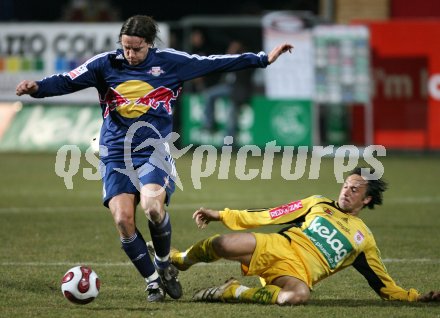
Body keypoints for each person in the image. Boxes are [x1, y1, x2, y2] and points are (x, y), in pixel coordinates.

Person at [15, 15, 293, 303]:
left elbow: (214, 62)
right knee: (123, 220)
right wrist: (37, 88)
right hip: (115, 153)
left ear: (149, 44)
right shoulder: (105, 64)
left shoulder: (171, 62)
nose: (131, 55)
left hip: (153, 150)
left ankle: (163, 263)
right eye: (126, 48)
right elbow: (67, 80)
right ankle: (152, 282)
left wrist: (262, 59)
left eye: (137, 49)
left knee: (152, 209)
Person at [165, 167, 440, 305]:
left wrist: (414, 298)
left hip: (298, 273)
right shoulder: (318, 203)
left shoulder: (363, 239)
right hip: (277, 246)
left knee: (296, 297)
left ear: (366, 200)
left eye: (354, 189)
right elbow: (270, 215)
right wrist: (221, 215)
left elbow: (382, 283)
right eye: (346, 185)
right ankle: (180, 259)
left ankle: (234, 291)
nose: (346, 191)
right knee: (222, 243)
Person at [202, 39, 254, 142]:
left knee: (231, 116)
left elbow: (244, 78)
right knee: (208, 94)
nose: (232, 49)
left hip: (238, 91)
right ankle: (209, 124)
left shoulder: (245, 59)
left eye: (234, 47)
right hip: (228, 87)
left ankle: (227, 144)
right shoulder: (229, 58)